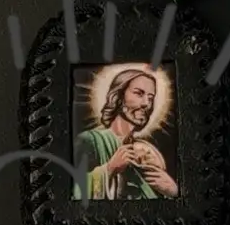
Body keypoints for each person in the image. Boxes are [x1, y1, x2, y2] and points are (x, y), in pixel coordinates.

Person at [73, 67, 179, 201]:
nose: (146, 103)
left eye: (151, 98)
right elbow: (73, 192)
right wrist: (109, 169)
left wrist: (173, 191)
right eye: (139, 93)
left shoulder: (146, 154)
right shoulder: (89, 140)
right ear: (118, 96)